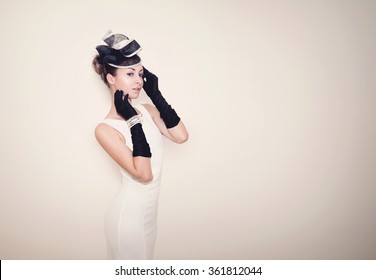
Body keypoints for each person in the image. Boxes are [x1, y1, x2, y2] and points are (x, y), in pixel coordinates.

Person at [92, 31, 188, 259]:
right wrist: (133, 121)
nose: (138, 81)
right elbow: (144, 174)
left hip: (149, 216)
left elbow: (181, 136)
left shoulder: (148, 110)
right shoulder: (105, 129)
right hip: (128, 219)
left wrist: (156, 95)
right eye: (130, 74)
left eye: (141, 74)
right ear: (111, 78)